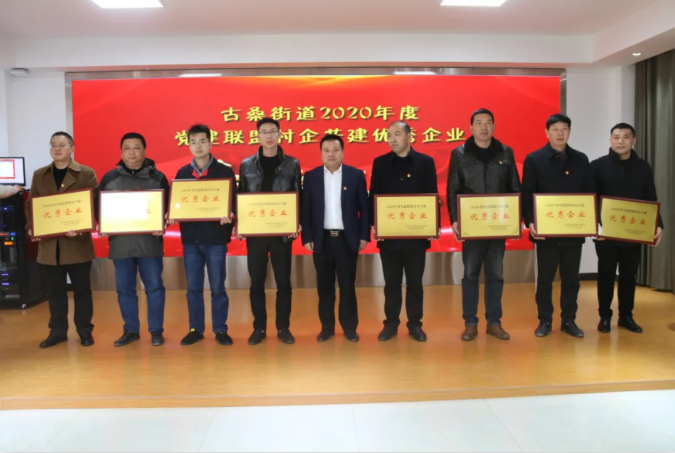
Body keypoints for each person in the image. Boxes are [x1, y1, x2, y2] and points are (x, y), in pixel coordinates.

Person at [447, 108, 521, 342]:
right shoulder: (459, 154)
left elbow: (515, 188)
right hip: (473, 226)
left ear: (494, 127)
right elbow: (453, 189)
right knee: (470, 274)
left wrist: (515, 220)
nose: (483, 127)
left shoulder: (506, 153)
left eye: (488, 122)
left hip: (498, 225)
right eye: (478, 122)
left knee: (496, 274)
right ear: (471, 128)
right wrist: (455, 219)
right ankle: (470, 323)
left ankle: (494, 322)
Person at [522, 113, 595, 338]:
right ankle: (544, 320)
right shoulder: (534, 159)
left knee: (571, 279)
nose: (560, 133)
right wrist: (530, 222)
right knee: (545, 280)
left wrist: (590, 221)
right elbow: (527, 193)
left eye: (564, 128)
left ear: (569, 132)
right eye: (555, 129)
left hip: (573, 231)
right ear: (547, 132)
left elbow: (588, 193)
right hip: (546, 232)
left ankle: (569, 320)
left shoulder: (581, 159)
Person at [25, 132, 98, 348]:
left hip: (77, 244)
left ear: (72, 149)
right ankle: (57, 332)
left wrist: (82, 227)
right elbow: (31, 204)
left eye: (63, 145)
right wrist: (32, 227)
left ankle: (85, 331)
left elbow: (93, 204)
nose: (57, 148)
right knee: (55, 292)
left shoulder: (86, 173)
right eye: (54, 145)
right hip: (50, 246)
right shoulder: (40, 174)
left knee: (82, 291)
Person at [369, 121, 439, 342]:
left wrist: (432, 224)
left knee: (415, 283)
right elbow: (374, 196)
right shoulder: (380, 163)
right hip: (389, 236)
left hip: (416, 236)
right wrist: (374, 224)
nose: (392, 139)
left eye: (397, 134)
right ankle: (390, 324)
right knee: (391, 283)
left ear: (409, 136)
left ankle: (415, 324)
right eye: (389, 135)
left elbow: (432, 195)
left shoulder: (425, 163)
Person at [99, 133, 170, 347]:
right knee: (124, 290)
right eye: (127, 148)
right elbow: (99, 209)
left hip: (149, 244)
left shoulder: (158, 178)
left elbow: (167, 208)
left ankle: (156, 330)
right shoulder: (109, 179)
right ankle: (130, 330)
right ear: (121, 151)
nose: (131, 152)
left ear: (144, 150)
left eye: (136, 147)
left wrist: (163, 223)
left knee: (155, 288)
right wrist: (103, 224)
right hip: (121, 245)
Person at [592, 123, 663, 334]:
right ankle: (604, 316)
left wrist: (658, 224)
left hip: (632, 232)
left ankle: (626, 316)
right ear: (610, 140)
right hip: (606, 234)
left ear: (634, 140)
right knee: (605, 275)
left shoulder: (642, 167)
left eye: (625, 137)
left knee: (629, 276)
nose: (620, 141)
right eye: (616, 137)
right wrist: (595, 226)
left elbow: (650, 198)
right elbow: (591, 199)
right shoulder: (597, 166)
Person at [171, 124, 237, 346]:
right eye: (193, 142)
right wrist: (172, 213)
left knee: (218, 287)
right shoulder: (182, 173)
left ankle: (220, 329)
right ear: (188, 145)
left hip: (216, 239)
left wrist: (230, 215)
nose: (197, 146)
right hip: (191, 239)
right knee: (193, 288)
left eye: (202, 141)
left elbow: (233, 202)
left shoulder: (225, 172)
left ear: (210, 143)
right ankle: (195, 329)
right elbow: (177, 204)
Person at [238, 118, 301, 345]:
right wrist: (240, 225)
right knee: (257, 282)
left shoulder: (292, 163)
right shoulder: (246, 165)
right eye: (264, 132)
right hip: (255, 233)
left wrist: (296, 222)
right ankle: (259, 328)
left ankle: (283, 328)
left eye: (272, 131)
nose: (268, 136)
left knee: (283, 282)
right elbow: (241, 196)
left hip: (281, 233)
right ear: (258, 136)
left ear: (279, 134)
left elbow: (298, 194)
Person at [301, 134, 369, 342]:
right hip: (321, 240)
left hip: (346, 240)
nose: (331, 154)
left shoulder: (355, 175)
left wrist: (363, 235)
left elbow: (364, 208)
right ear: (321, 153)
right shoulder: (311, 177)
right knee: (324, 287)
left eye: (336, 150)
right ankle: (327, 328)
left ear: (343, 152)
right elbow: (306, 210)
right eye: (327, 150)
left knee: (347, 286)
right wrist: (307, 236)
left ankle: (350, 328)